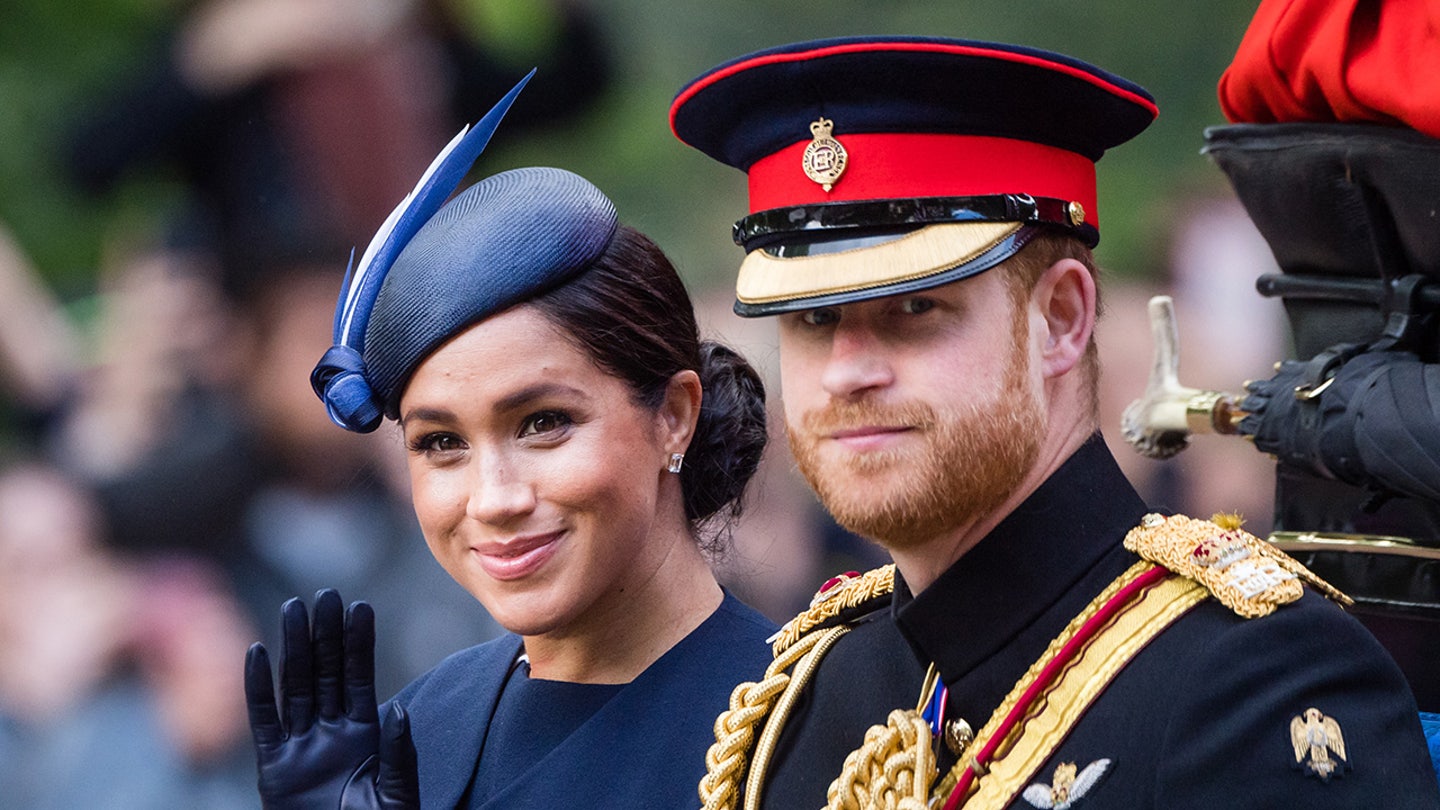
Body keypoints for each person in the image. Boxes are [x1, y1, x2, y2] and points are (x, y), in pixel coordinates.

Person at [668, 36, 1440, 809]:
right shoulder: (807, 695)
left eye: (914, 307)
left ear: (1062, 319)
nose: (845, 370)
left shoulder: (1255, 685)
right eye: (812, 317)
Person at [243, 76, 776, 808]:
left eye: (543, 423)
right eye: (441, 443)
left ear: (674, 416)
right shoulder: (419, 730)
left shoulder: (807, 718)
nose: (494, 498)